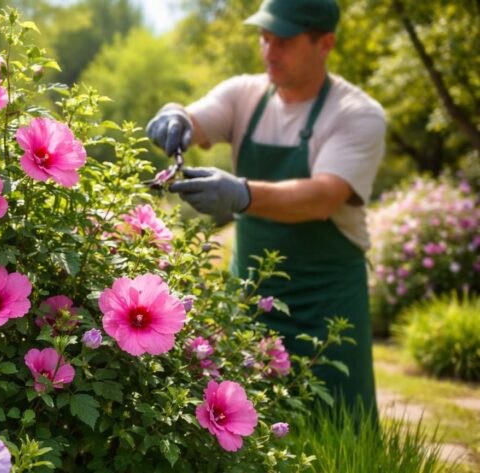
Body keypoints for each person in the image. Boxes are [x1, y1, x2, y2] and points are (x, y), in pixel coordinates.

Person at [146, 0, 385, 416]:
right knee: (245, 430)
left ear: (324, 43)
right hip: (252, 304)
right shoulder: (245, 94)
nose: (270, 51)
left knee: (340, 434)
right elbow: (196, 119)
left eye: (285, 41)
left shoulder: (357, 114)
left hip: (328, 309)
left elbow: (324, 196)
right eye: (264, 37)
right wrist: (175, 117)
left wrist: (243, 194)